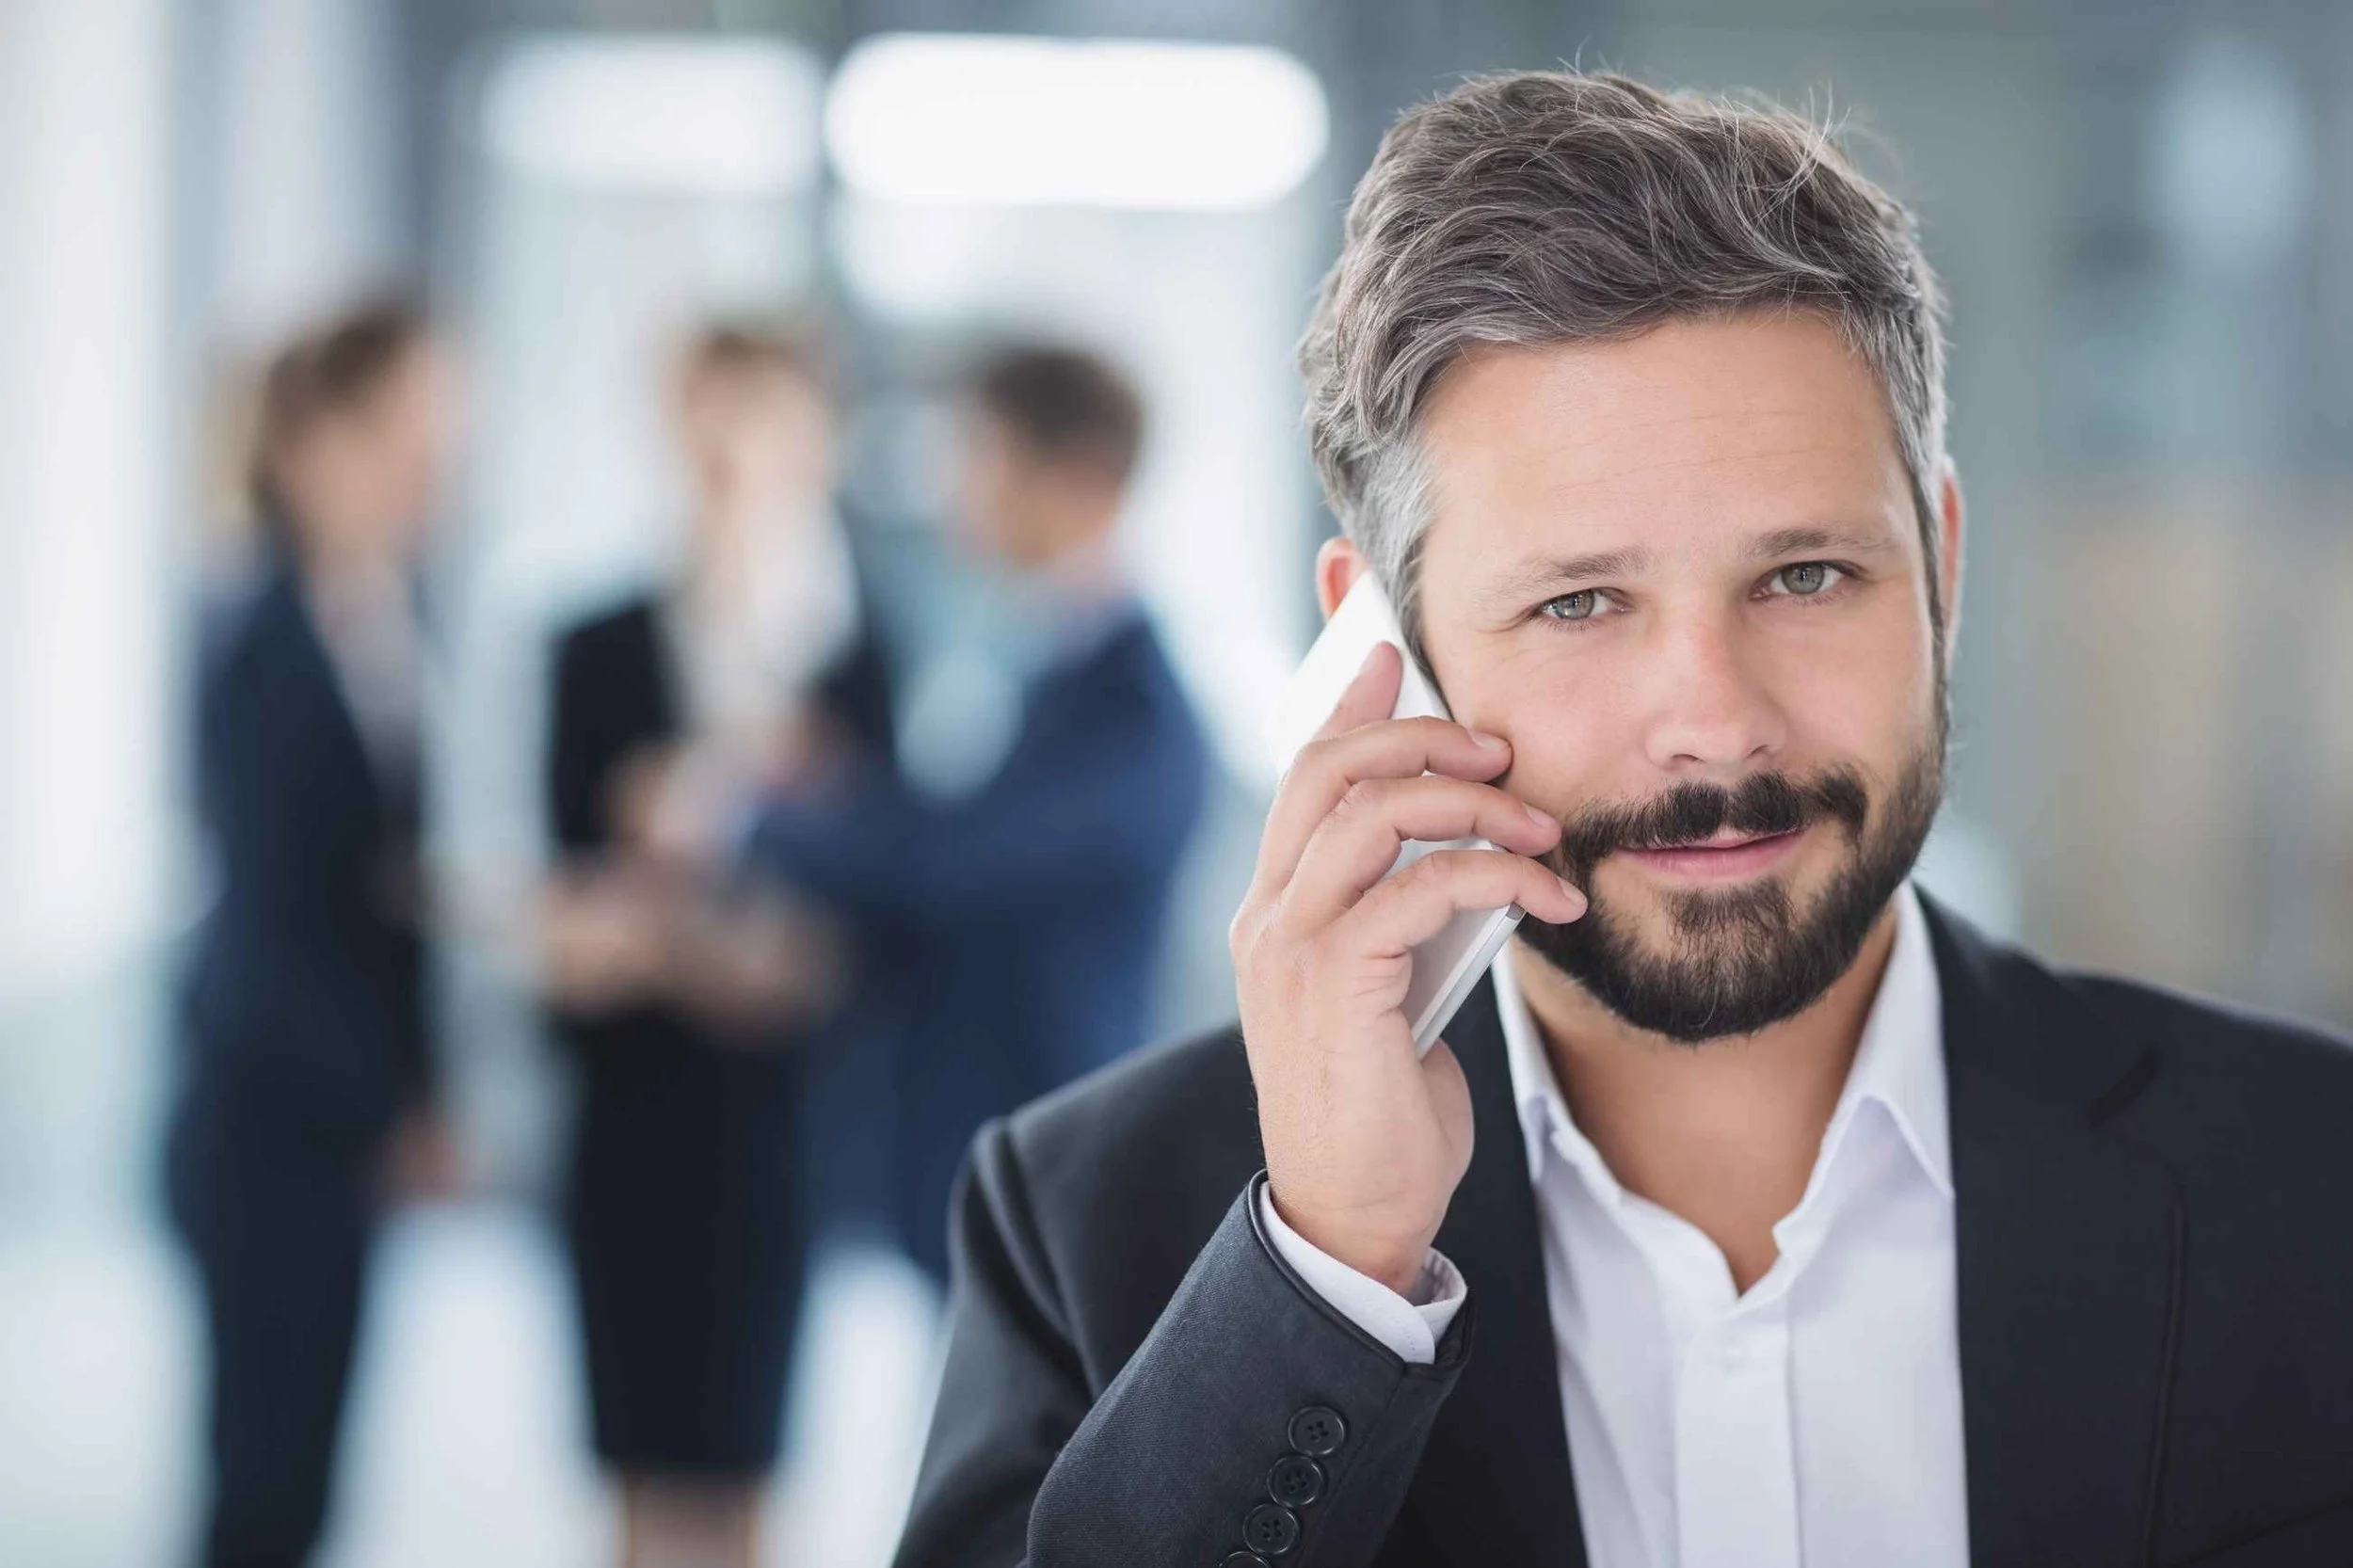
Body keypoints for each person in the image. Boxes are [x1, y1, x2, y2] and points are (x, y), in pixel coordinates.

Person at [895, 72, 2353, 1568]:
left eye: (1806, 576)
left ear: (1945, 564)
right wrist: (1333, 1268)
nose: (1714, 720)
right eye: (1579, 601)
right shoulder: (1086, 1224)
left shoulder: (2316, 1180)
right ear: (1380, 652)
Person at [737, 344, 1209, 1287]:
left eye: (978, 454)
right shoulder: (1018, 655)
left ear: (1072, 480)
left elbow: (951, 863)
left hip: (1051, 1168)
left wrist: (742, 818)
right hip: (962, 1152)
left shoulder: (1139, 714)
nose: (955, 486)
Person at [539, 322, 888, 1568]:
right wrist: (687, 951)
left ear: (815, 439)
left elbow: (880, 904)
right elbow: (569, 901)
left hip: (774, 1124)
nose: (729, 453)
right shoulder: (593, 646)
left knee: (747, 1462)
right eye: (706, 420)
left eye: (760, 421)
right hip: (629, 1112)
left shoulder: (859, 655)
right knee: (635, 1464)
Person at [166, 297, 462, 1568]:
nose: (429, 461)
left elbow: (383, 894)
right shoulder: (259, 639)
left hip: (338, 1121)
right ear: (305, 443)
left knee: (311, 1486)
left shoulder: (386, 618)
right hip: (271, 1120)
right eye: (400, 428)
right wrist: (388, 1105)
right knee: (262, 1488)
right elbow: (274, 931)